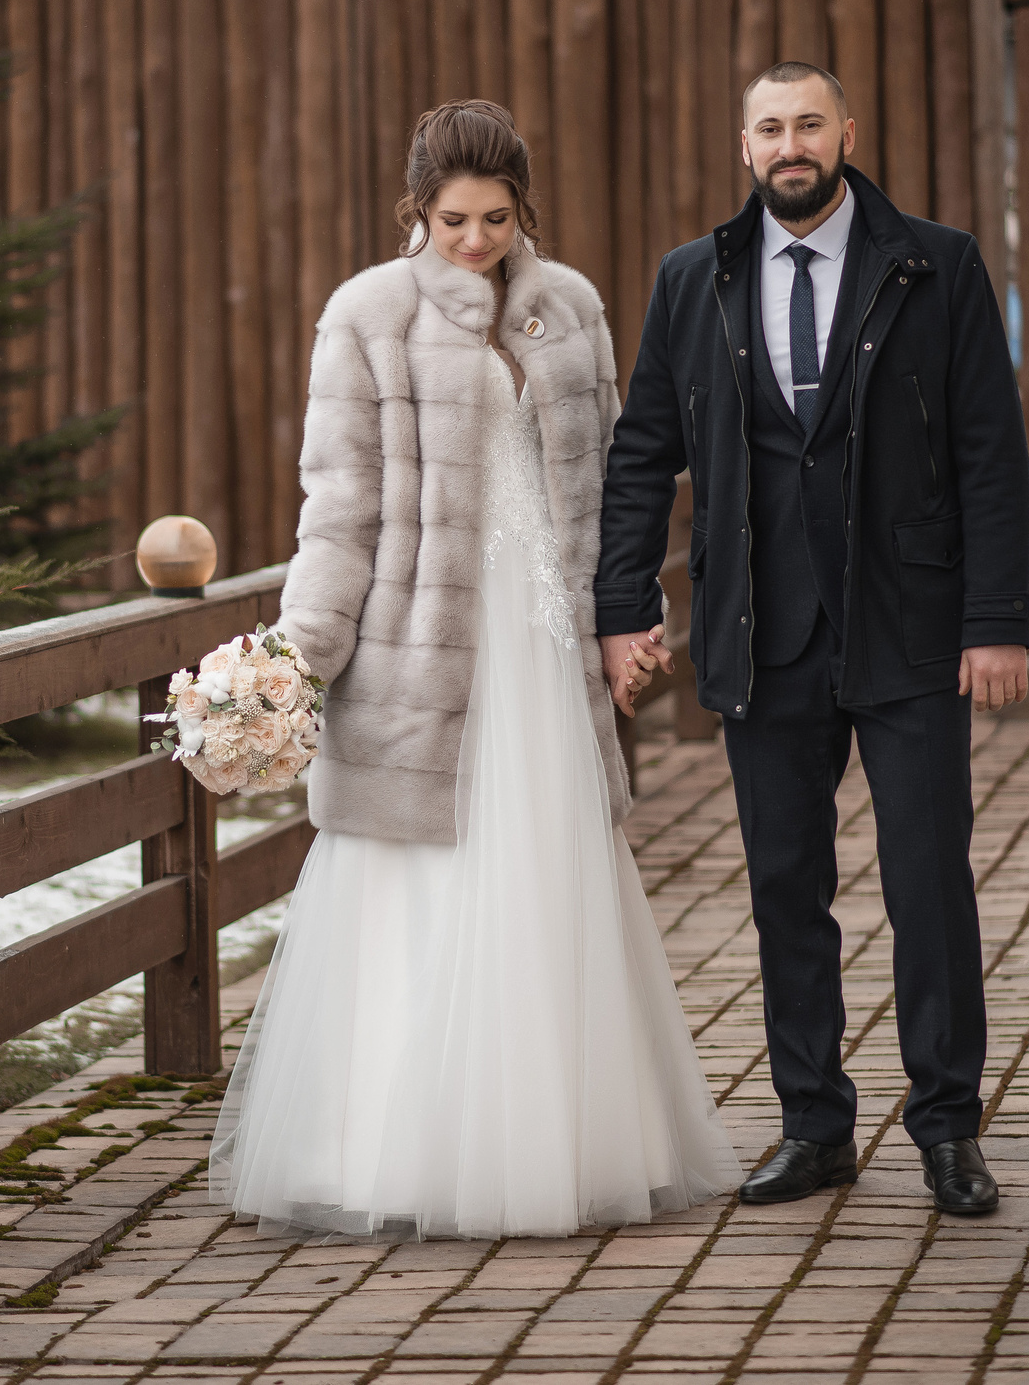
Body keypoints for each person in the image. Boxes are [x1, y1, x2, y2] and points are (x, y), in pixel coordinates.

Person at [209, 100, 741, 1240]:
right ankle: (391, 1150)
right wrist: (298, 656)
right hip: (417, 644)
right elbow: (337, 507)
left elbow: (616, 486)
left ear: (522, 208)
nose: (474, 240)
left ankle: (560, 1142)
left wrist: (627, 618)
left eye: (496, 218)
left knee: (550, 866)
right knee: (420, 883)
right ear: (417, 208)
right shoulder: (369, 315)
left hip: (543, 640)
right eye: (453, 219)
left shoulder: (573, 308)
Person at [594, 62, 1029, 1218]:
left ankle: (947, 1129)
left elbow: (990, 452)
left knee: (927, 881)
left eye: (808, 124)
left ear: (847, 132)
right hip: (760, 628)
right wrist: (622, 608)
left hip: (909, 626)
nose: (790, 144)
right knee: (786, 888)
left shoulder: (935, 264)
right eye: (769, 127)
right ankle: (813, 1127)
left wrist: (993, 622)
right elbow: (641, 456)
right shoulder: (692, 279)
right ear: (743, 146)